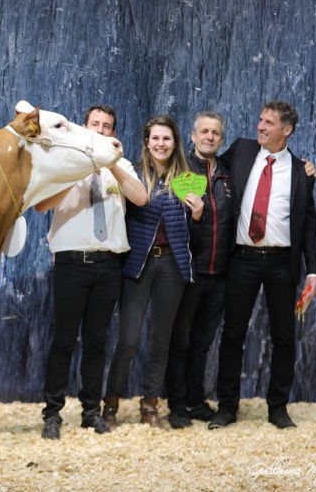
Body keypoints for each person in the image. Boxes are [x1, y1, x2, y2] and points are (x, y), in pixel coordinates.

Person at [209, 101, 316, 430]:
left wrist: (313, 270)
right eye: (260, 120)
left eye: (269, 123)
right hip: (242, 259)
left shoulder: (302, 172)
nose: (260, 126)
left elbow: (308, 225)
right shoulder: (242, 151)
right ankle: (227, 408)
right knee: (232, 334)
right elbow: (209, 167)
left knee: (284, 337)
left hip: (280, 263)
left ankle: (278, 408)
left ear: (286, 130)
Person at [36, 105, 148, 439]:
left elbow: (140, 198)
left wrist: (110, 164)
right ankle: (52, 414)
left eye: (107, 126)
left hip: (108, 264)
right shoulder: (66, 165)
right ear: (84, 128)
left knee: (97, 342)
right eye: (95, 125)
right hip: (72, 261)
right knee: (64, 340)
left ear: (113, 133)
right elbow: (42, 205)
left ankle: (90, 412)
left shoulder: (120, 164)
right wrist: (80, 168)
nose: (101, 130)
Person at [103, 115, 204, 429]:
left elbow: (194, 233)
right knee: (129, 340)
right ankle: (110, 406)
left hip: (172, 265)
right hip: (138, 265)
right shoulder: (132, 174)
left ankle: (150, 406)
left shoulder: (188, 177)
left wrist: (198, 214)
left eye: (167, 139)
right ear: (147, 142)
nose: (161, 144)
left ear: (175, 143)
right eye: (155, 138)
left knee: (161, 341)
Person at [164, 111, 234, 428]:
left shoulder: (228, 174)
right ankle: (177, 405)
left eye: (215, 133)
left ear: (221, 138)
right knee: (181, 341)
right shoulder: (182, 173)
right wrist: (195, 218)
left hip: (219, 274)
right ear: (192, 137)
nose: (209, 137)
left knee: (203, 342)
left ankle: (195, 401)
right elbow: (175, 226)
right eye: (204, 131)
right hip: (189, 273)